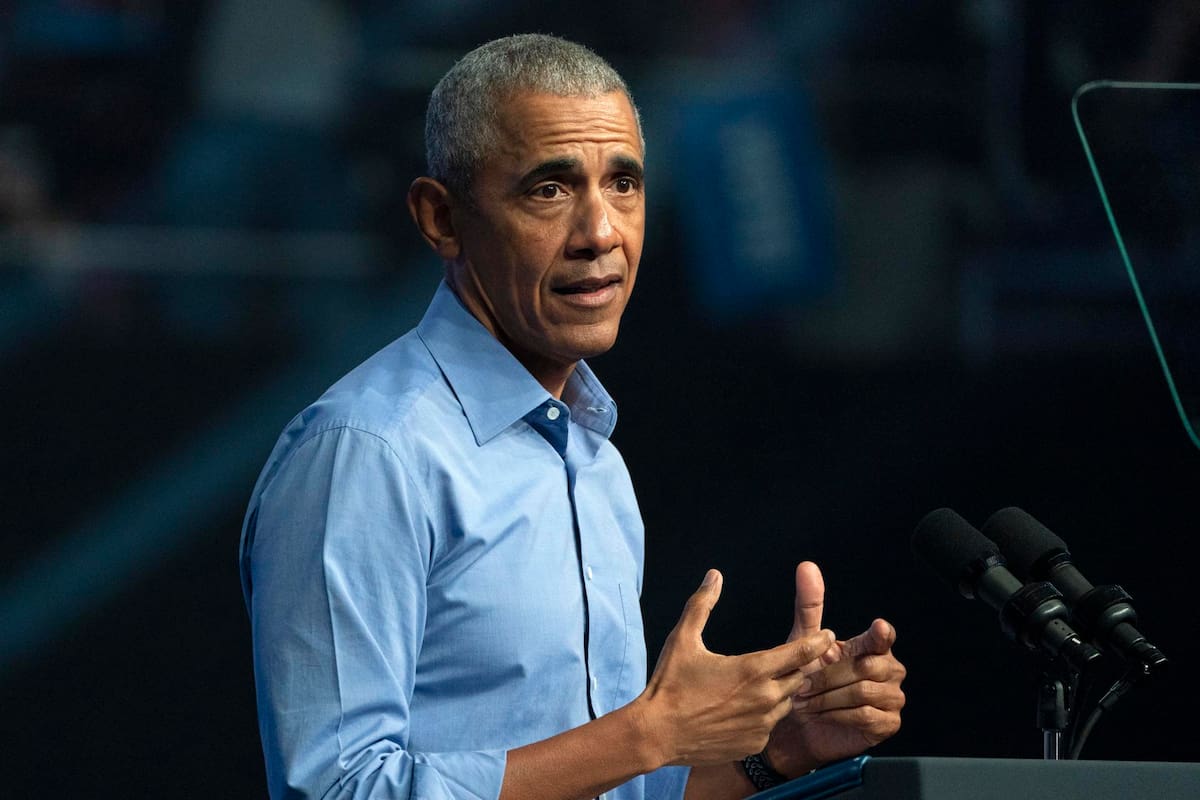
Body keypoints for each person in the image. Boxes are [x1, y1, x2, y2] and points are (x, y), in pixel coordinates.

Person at [239, 33, 906, 800]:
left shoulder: (592, 458)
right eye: (549, 190)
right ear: (441, 218)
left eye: (623, 184)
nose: (601, 234)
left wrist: (777, 753)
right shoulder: (367, 452)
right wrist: (649, 732)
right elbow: (336, 790)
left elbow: (613, 788)